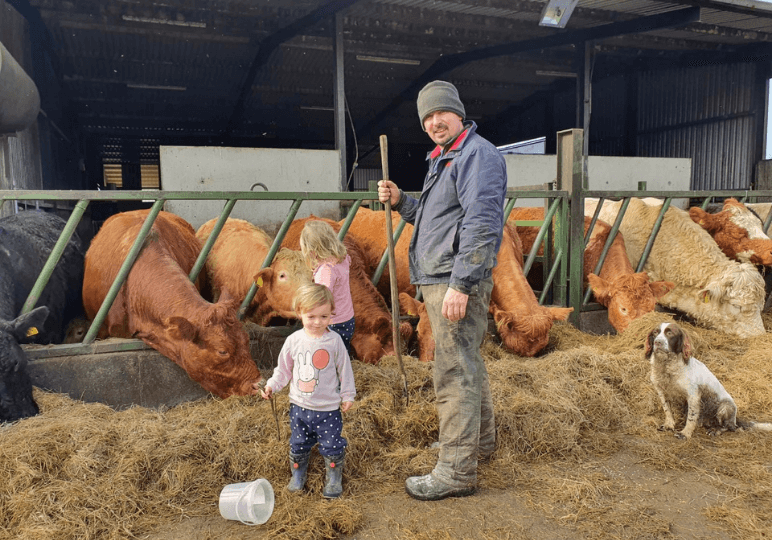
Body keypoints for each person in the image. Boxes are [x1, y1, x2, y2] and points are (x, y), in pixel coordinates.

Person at [377, 80, 507, 501]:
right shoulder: (446, 158)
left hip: (454, 280)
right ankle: (478, 444)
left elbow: (482, 223)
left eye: (441, 113)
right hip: (443, 277)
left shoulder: (477, 155)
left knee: (452, 370)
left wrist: (462, 284)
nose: (434, 122)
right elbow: (440, 219)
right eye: (427, 117)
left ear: (458, 112)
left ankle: (455, 470)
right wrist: (401, 201)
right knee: (467, 362)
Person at [260, 283, 356, 498]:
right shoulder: (294, 341)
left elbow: (345, 370)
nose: (317, 322)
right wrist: (271, 385)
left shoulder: (335, 341)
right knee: (298, 443)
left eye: (324, 316)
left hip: (328, 408)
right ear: (299, 313)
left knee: (332, 444)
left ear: (332, 315)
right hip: (299, 407)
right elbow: (283, 370)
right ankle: (298, 475)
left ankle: (333, 478)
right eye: (311, 316)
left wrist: (348, 394)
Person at [299, 220, 356, 354]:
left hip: (332, 324)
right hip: (348, 320)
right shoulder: (343, 259)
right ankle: (343, 373)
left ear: (312, 251)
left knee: (326, 357)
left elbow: (320, 301)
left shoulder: (325, 271)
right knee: (342, 353)